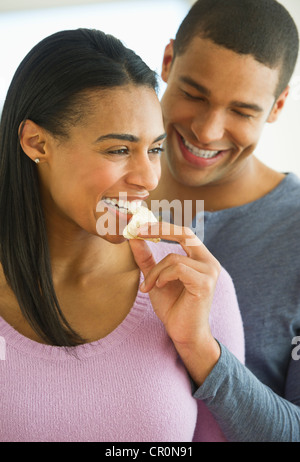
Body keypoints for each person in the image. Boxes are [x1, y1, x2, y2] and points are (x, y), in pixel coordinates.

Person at [0, 28, 244, 442]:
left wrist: (199, 346)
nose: (149, 178)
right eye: (118, 150)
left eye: (154, 149)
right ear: (36, 142)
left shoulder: (196, 288)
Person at [149, 0, 300, 442]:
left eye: (242, 111)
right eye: (195, 94)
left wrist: (205, 353)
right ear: (168, 60)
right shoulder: (94, 200)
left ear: (277, 107)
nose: (208, 130)